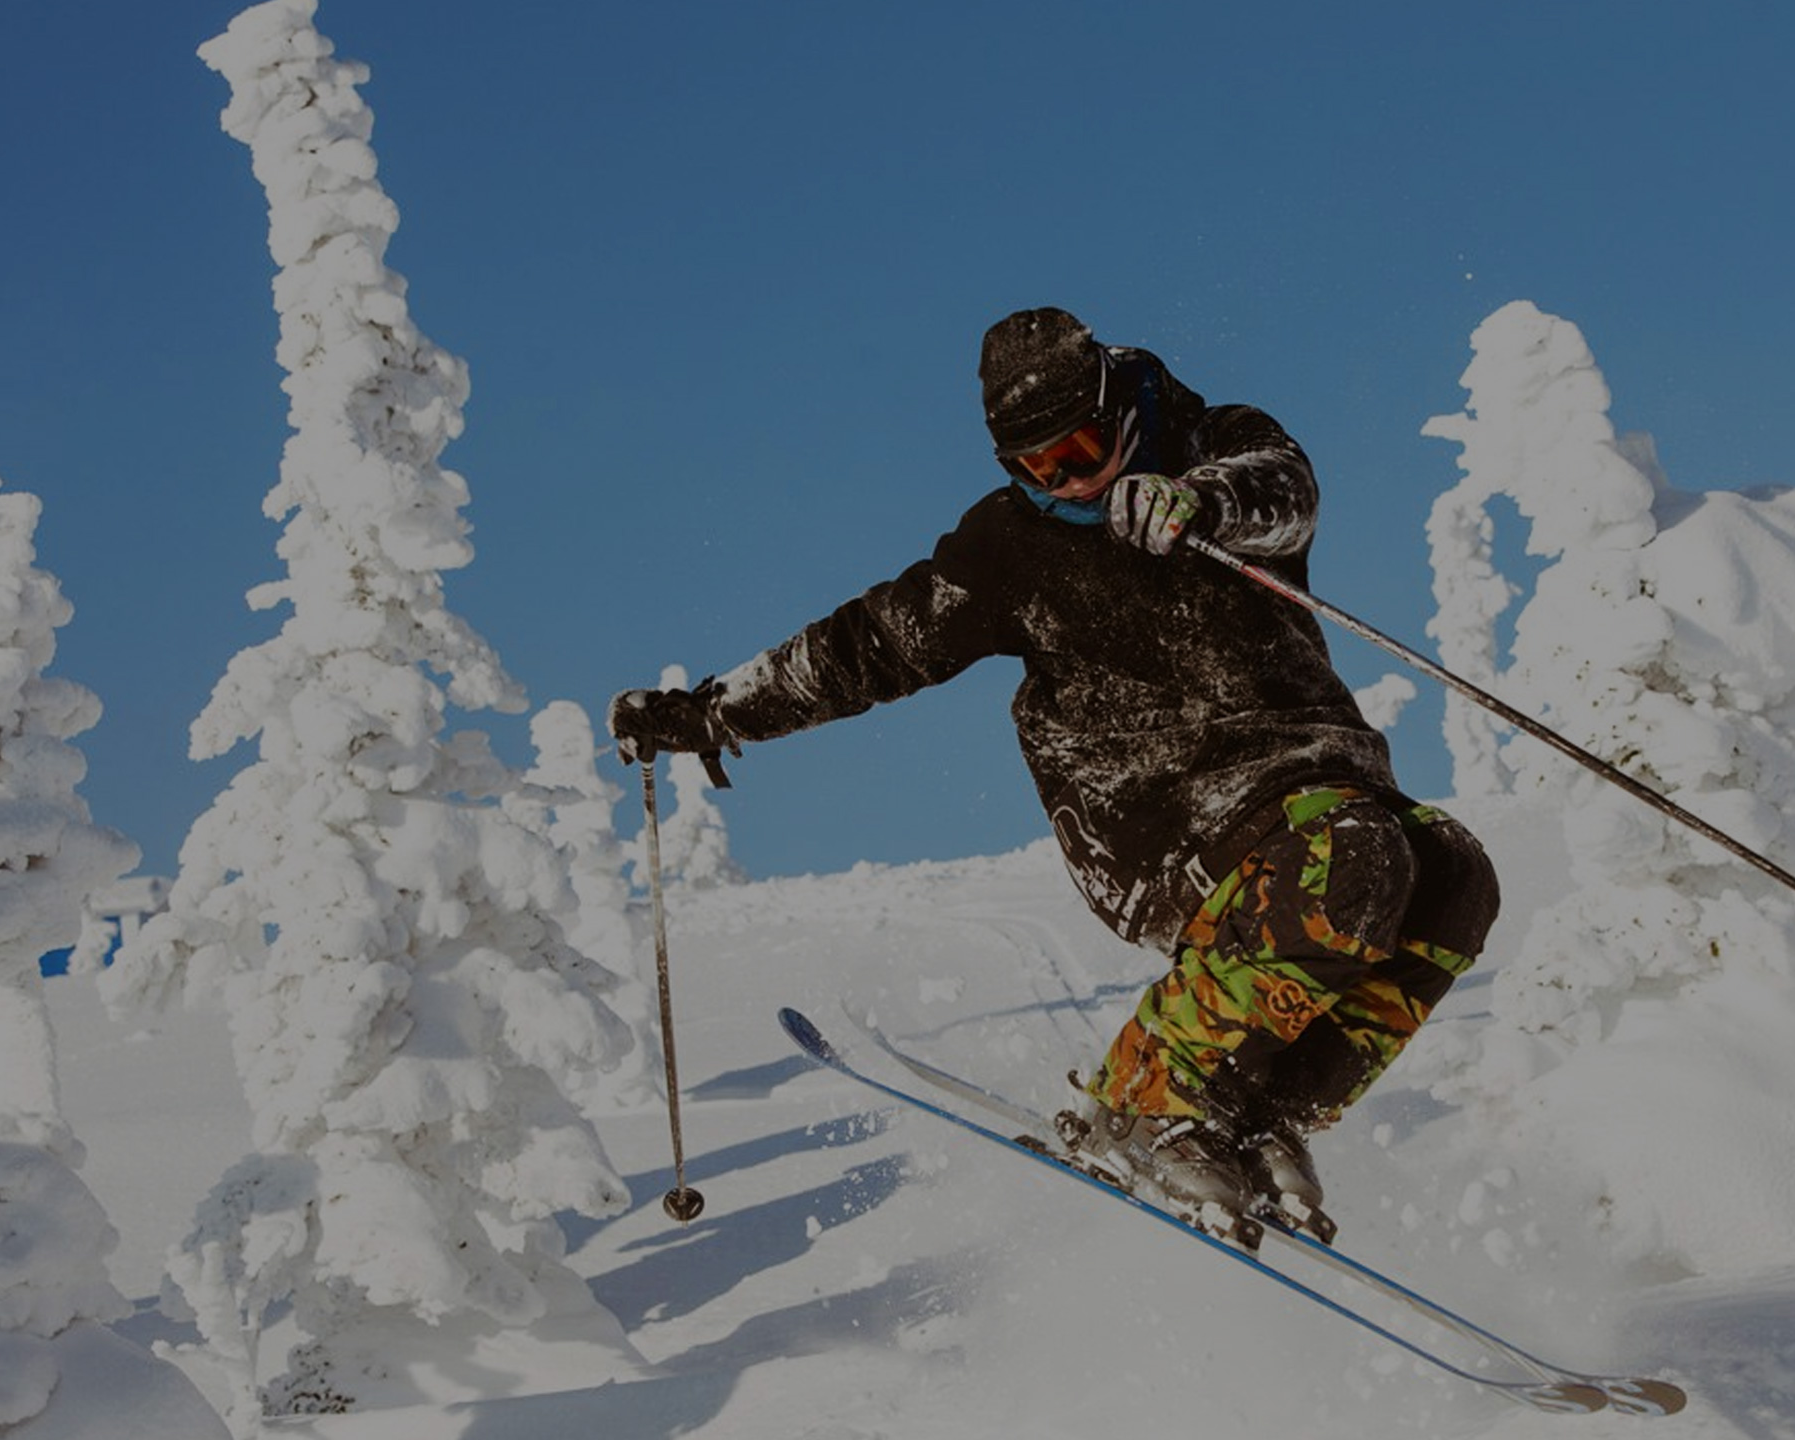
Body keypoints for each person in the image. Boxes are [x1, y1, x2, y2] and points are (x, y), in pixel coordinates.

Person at [608, 307, 1498, 1243]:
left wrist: (1202, 500)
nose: (1066, 480)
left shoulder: (1220, 443)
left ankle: (1258, 1113)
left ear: (1121, 407)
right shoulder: (1009, 549)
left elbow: (1286, 491)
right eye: (1037, 467)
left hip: (1308, 778)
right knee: (1350, 860)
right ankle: (1147, 1095)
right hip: (1151, 809)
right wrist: (710, 710)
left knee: (1450, 874)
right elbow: (870, 645)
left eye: (1077, 448)